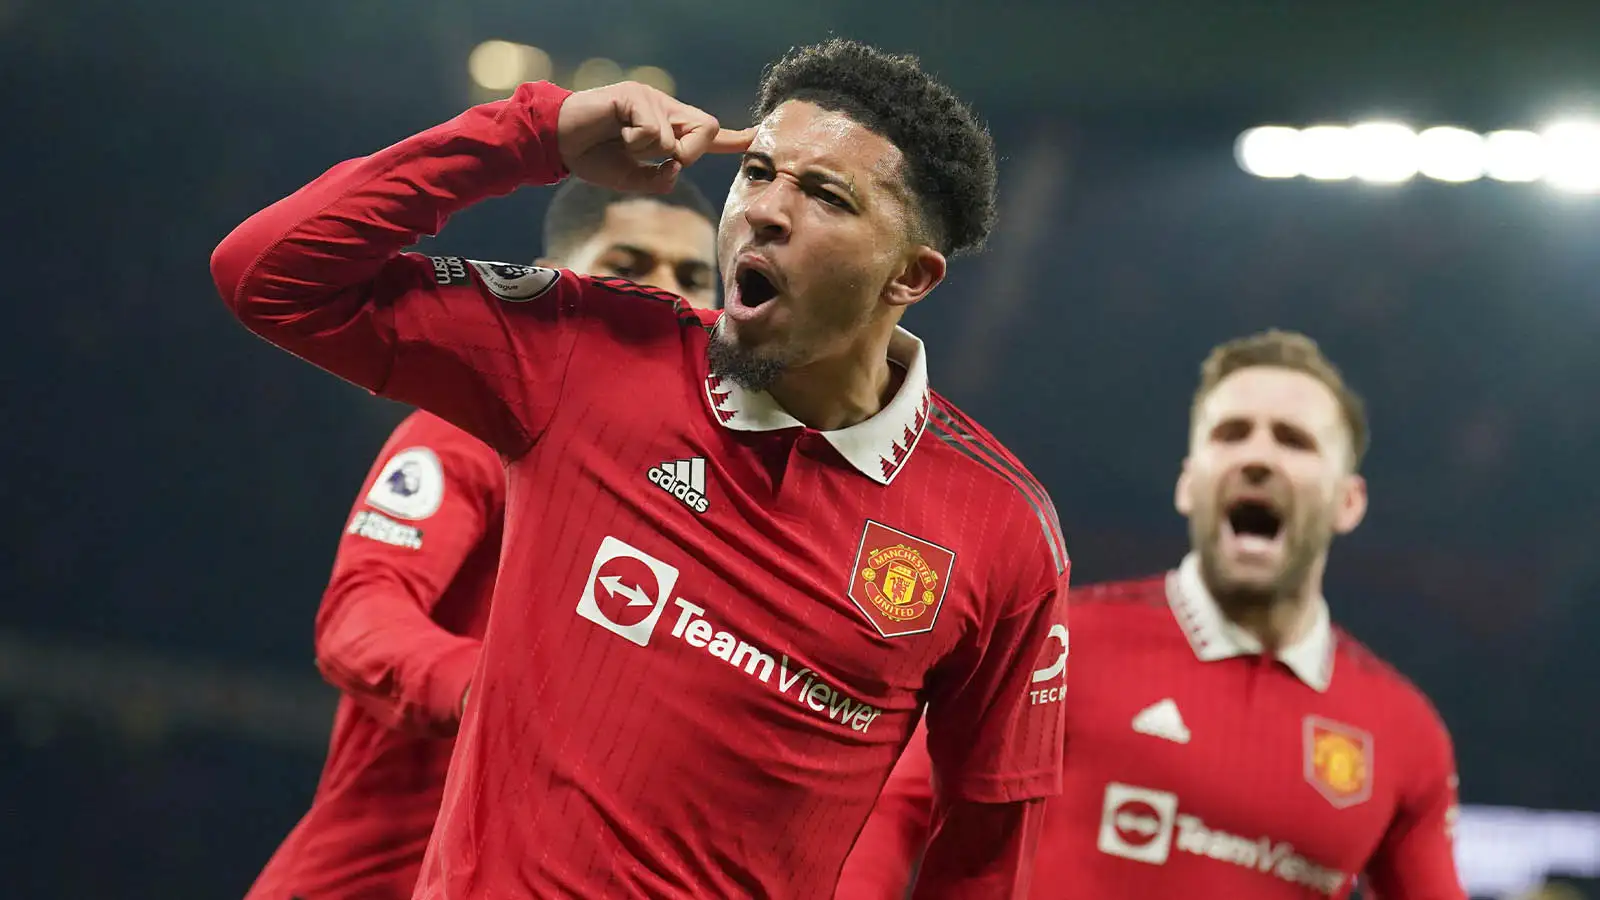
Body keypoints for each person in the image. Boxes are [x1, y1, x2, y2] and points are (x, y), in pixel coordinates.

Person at [212, 38, 1070, 900]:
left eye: (823, 194)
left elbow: (986, 852)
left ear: (910, 278)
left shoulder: (999, 530)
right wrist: (532, 133)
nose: (767, 211)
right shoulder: (587, 351)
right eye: (760, 171)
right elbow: (268, 275)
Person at [837, 330, 1465, 900]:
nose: (1258, 457)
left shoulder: (1404, 733)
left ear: (1348, 501)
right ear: (1189, 484)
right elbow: (895, 810)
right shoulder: (1057, 641)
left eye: (1294, 441)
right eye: (1231, 433)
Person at [242, 179, 720, 900]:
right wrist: (490, 694)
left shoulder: (721, 500)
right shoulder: (475, 427)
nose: (664, 295)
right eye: (627, 266)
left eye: (691, 277)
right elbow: (362, 612)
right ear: (558, 280)